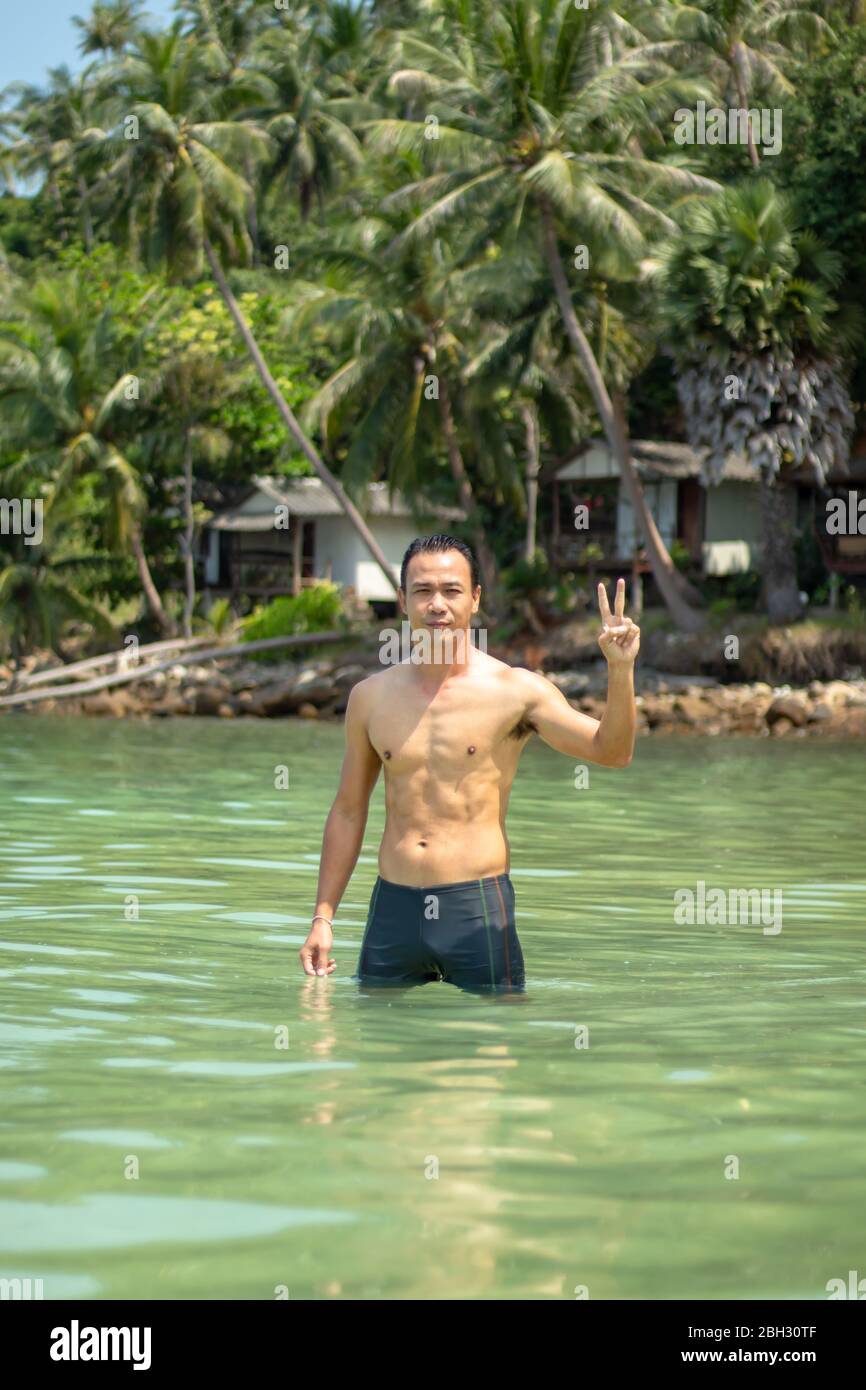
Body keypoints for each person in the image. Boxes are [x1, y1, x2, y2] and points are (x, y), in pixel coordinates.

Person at [300, 534, 640, 993]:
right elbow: (347, 810)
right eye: (422, 591)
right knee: (374, 1047)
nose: (437, 604)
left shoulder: (516, 691)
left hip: (476, 907)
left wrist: (620, 671)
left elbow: (613, 751)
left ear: (475, 598)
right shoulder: (369, 698)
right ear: (402, 601)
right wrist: (324, 916)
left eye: (452, 590)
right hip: (392, 909)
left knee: (492, 1047)